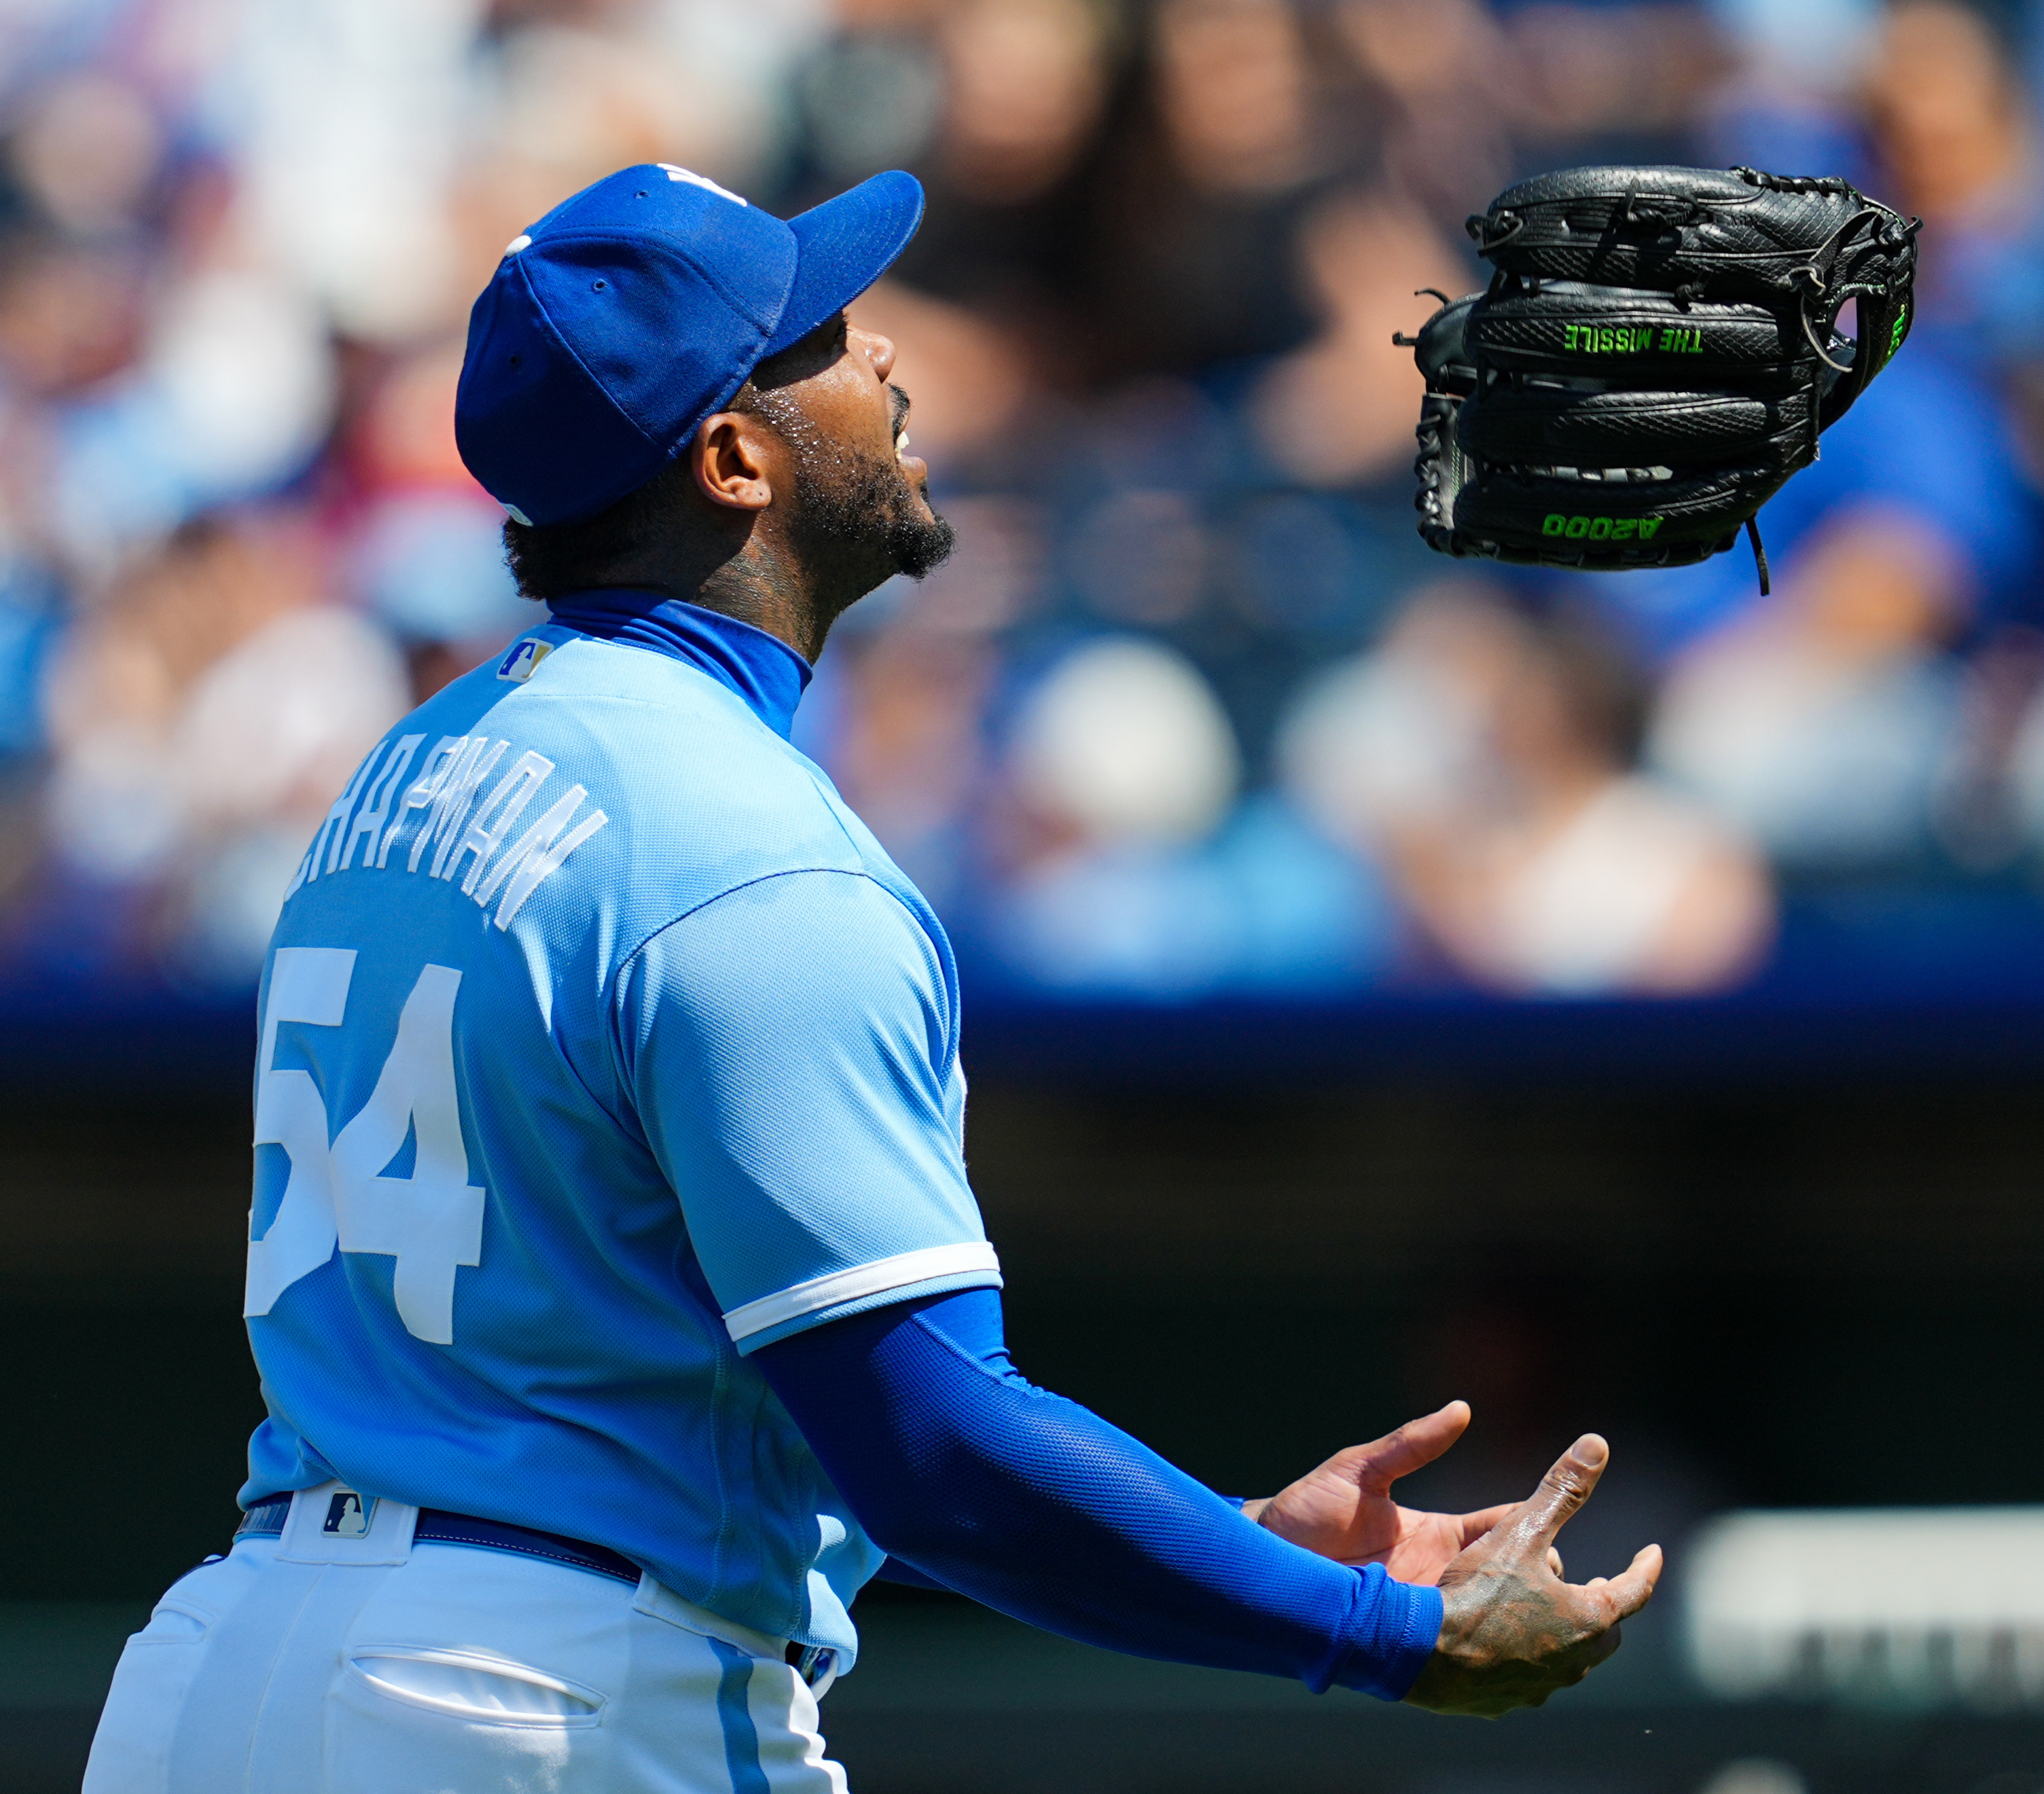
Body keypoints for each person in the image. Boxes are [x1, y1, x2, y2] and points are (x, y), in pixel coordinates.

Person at [80, 162, 1661, 1794]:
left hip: (228, 1674)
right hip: (541, 1708)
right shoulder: (750, 849)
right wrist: (1372, 1631)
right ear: (730, 457)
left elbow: (706, 1421)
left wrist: (1236, 1543)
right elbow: (926, 1446)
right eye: (824, 335)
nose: (890, 356)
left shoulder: (401, 775)